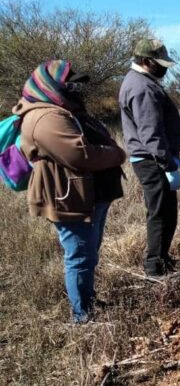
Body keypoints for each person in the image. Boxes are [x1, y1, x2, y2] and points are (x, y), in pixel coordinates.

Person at [13, 60, 126, 323]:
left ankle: (88, 301)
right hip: (68, 198)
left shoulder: (64, 110)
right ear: (49, 85)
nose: (77, 89)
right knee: (79, 256)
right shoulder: (45, 116)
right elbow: (79, 155)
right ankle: (82, 316)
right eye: (70, 84)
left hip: (86, 196)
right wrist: (117, 154)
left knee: (89, 252)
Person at [119, 38, 180, 277]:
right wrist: (167, 163)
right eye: (160, 63)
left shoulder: (143, 81)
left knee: (167, 212)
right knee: (160, 214)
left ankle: (162, 260)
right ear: (146, 61)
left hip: (155, 159)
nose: (165, 68)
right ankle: (155, 269)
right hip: (152, 161)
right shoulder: (142, 87)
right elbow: (150, 132)